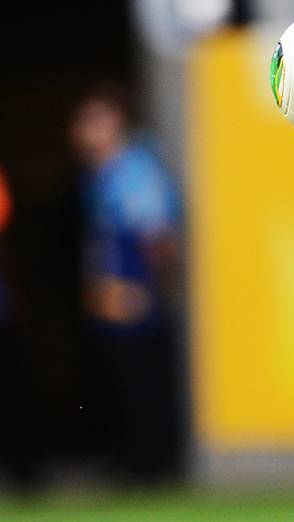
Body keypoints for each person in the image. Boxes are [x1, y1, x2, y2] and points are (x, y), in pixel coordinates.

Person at [70, 85, 185, 482]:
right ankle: (129, 460)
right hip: (110, 300)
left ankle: (152, 466)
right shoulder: (95, 176)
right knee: (118, 383)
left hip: (136, 298)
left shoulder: (134, 170)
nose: (86, 131)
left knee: (142, 383)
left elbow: (157, 237)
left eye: (95, 121)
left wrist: (154, 292)